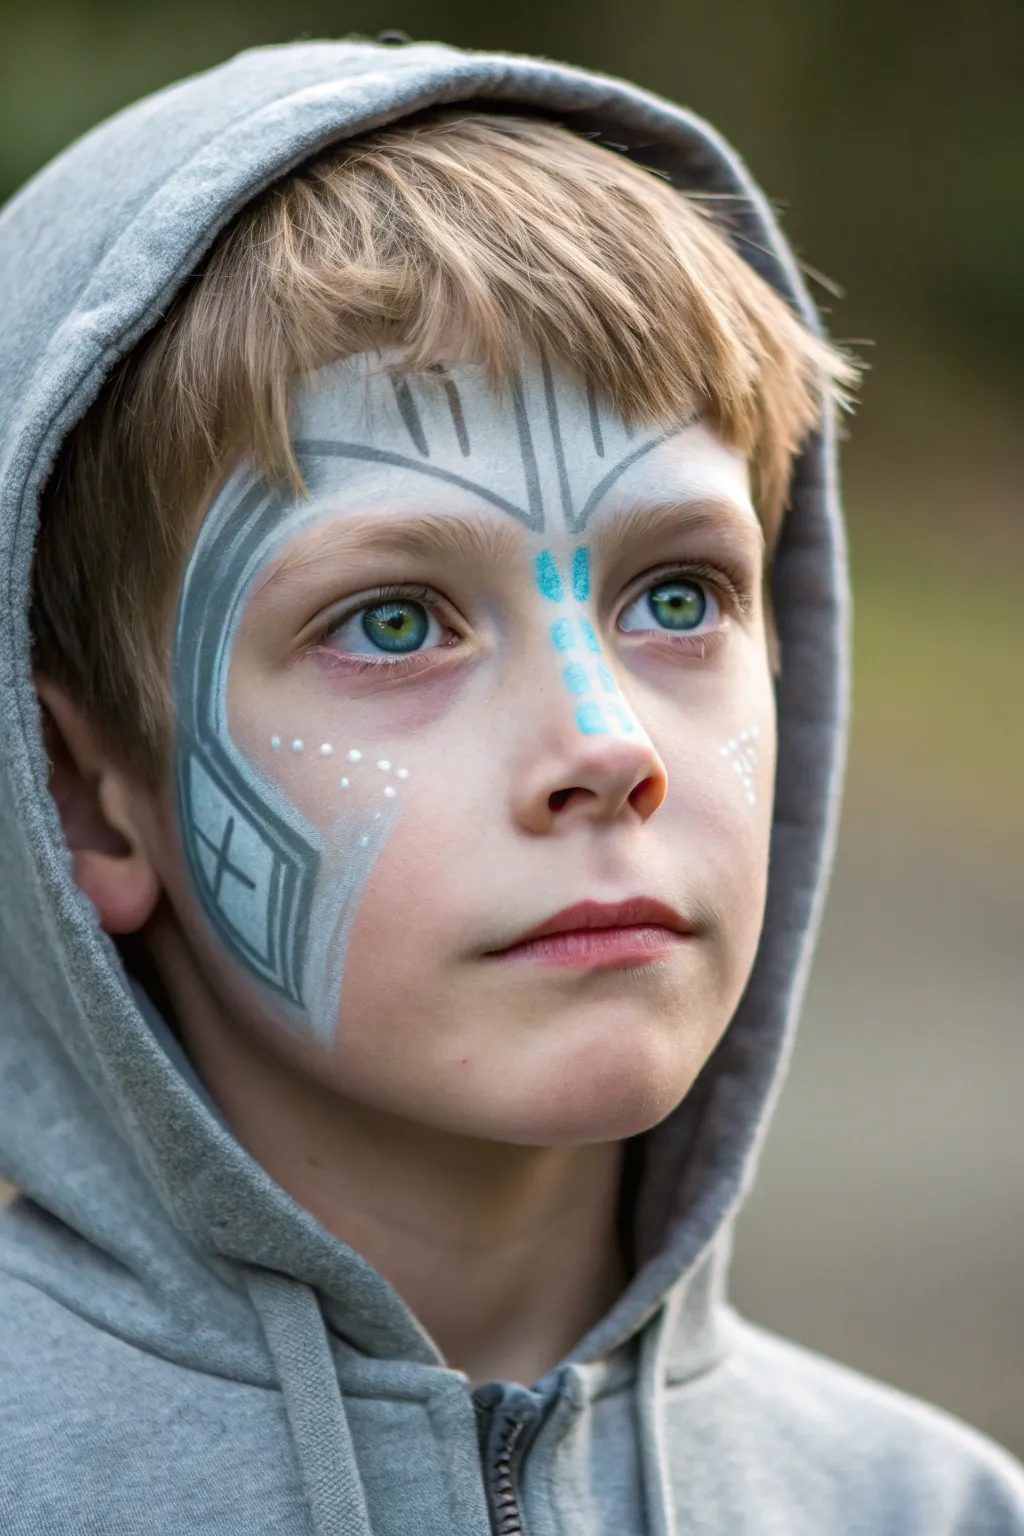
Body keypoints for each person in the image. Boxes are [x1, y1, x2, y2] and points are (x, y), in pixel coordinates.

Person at [0, 38, 1020, 1536]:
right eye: (394, 623)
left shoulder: (931, 1509)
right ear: (94, 799)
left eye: (677, 597)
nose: (608, 746)